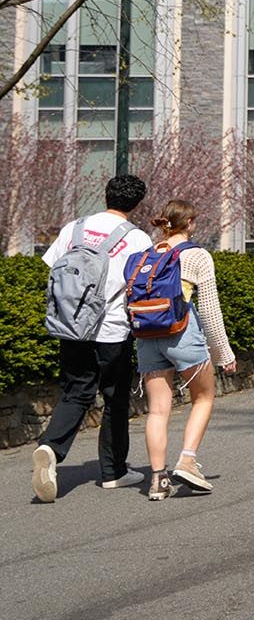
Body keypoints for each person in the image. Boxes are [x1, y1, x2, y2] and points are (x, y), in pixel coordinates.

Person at [32, 174, 154, 503]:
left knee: (75, 392)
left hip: (71, 326)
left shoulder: (74, 228)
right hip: (112, 330)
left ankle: (51, 447)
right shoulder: (138, 239)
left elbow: (53, 268)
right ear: (137, 203)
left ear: (106, 195)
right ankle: (113, 472)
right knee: (115, 399)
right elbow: (141, 287)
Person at [127, 200, 238, 501]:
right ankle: (187, 460)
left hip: (147, 336)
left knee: (158, 410)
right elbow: (211, 310)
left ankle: (158, 480)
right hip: (182, 332)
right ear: (189, 224)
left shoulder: (145, 256)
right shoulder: (197, 255)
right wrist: (224, 353)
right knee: (203, 396)